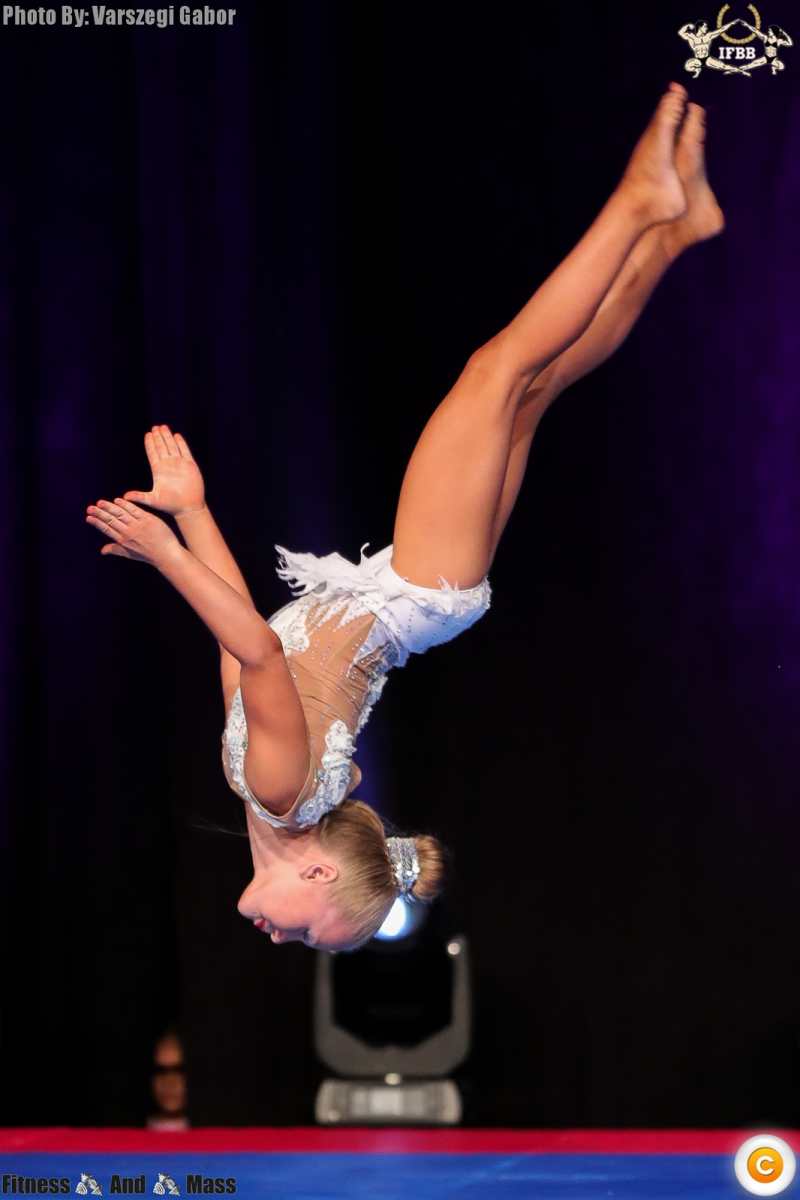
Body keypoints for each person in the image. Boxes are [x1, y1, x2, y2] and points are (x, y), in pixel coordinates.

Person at [86, 83, 724, 952]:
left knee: (533, 387)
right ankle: (640, 205)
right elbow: (258, 649)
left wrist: (193, 515)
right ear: (319, 877)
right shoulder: (280, 791)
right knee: (499, 370)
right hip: (417, 582)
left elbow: (239, 653)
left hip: (428, 591)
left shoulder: (265, 794)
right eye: (308, 935)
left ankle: (676, 232)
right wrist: (167, 554)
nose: (280, 939)